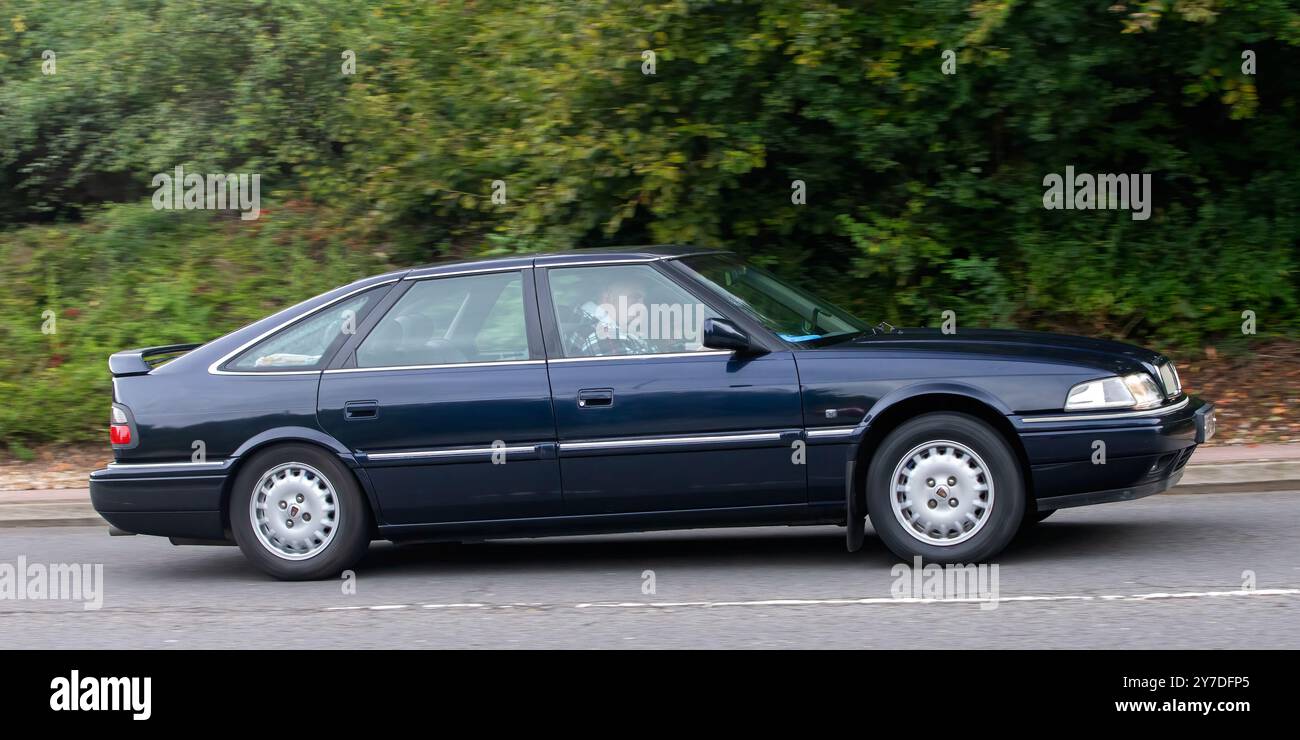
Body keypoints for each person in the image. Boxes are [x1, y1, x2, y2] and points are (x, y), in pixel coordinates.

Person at [564, 275, 652, 356]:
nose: (642, 306)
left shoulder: (586, 320)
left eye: (643, 300)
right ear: (607, 296)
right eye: (634, 297)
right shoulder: (603, 335)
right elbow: (640, 371)